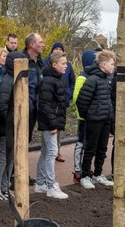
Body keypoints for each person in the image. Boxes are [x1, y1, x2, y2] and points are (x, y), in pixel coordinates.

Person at [76, 49, 116, 189]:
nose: (113, 66)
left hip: (105, 119)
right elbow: (82, 100)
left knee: (102, 148)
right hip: (94, 120)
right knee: (90, 148)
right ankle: (85, 175)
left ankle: (98, 174)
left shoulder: (108, 79)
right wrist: (88, 115)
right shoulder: (92, 79)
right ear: (103, 64)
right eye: (111, 64)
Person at [0, 51, 27, 201]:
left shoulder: (17, 78)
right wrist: (12, 122)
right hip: (8, 125)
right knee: (4, 156)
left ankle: (5, 188)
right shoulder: (7, 80)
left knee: (11, 157)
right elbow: (2, 106)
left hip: (15, 124)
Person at [35, 51, 70, 199]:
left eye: (66, 63)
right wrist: (53, 124)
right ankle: (51, 186)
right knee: (51, 153)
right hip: (50, 124)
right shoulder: (49, 80)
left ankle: (40, 183)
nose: (66, 66)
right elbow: (45, 104)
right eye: (63, 63)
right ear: (54, 64)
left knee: (45, 152)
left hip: (51, 122)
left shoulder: (56, 79)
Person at [43, 41, 76, 163]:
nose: (58, 50)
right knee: (51, 130)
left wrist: (68, 95)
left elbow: (72, 81)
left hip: (63, 100)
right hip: (52, 103)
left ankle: (58, 150)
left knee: (59, 129)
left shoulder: (68, 65)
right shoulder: (47, 65)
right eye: (56, 48)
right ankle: (51, 151)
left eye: (60, 49)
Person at [71, 50, 99, 184]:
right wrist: (86, 112)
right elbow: (77, 98)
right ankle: (78, 171)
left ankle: (86, 169)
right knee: (81, 143)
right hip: (84, 117)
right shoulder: (82, 77)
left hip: (92, 116)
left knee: (89, 144)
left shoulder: (94, 76)